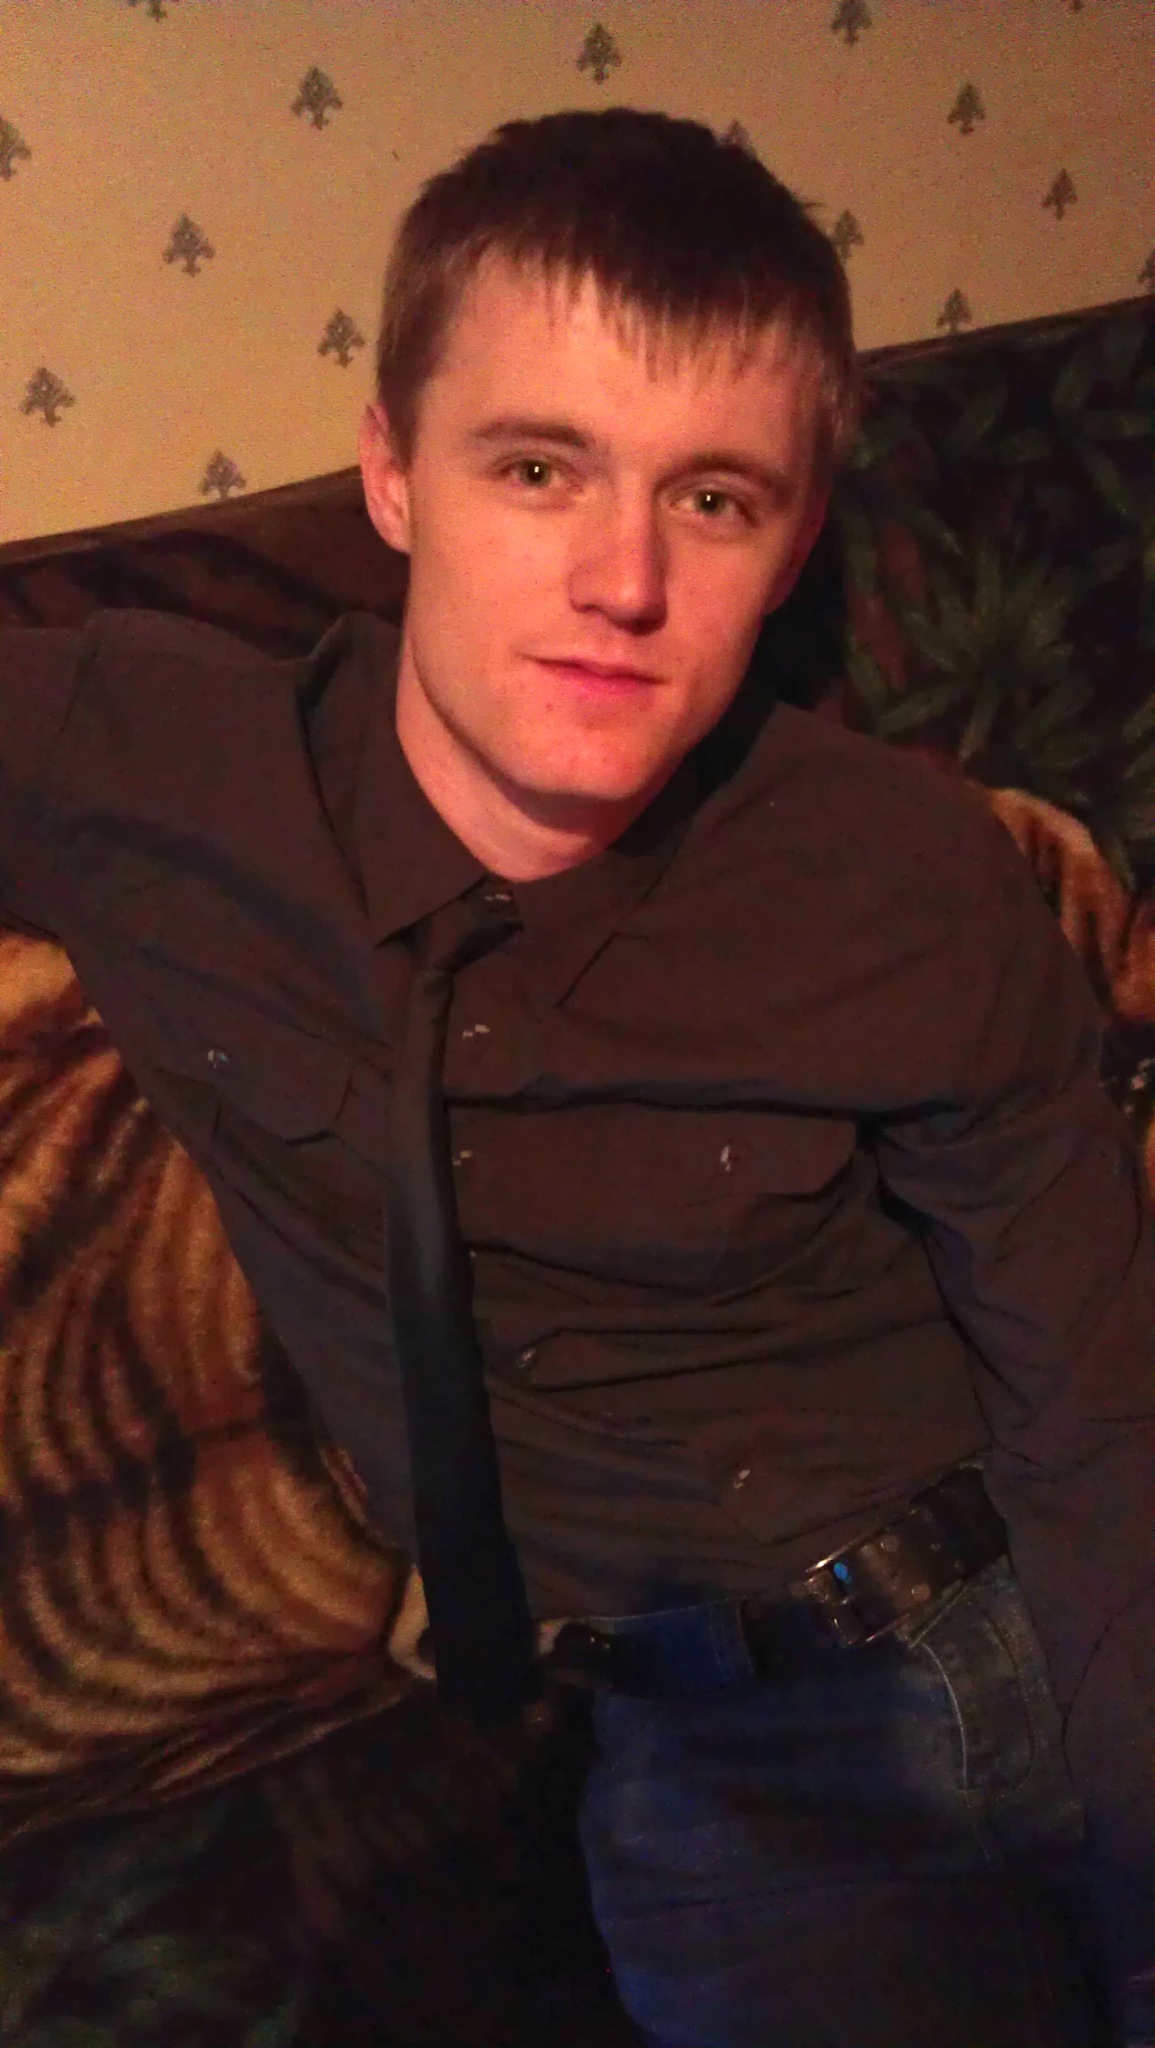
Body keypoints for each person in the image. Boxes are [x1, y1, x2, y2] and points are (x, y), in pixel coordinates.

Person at [1, 107, 1152, 2047]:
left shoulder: (901, 872)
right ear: (392, 473)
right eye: (538, 468)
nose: (623, 578)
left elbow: (1093, 1400)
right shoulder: (140, 763)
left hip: (1043, 1601)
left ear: (792, 542)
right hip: (728, 1759)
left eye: (712, 498)